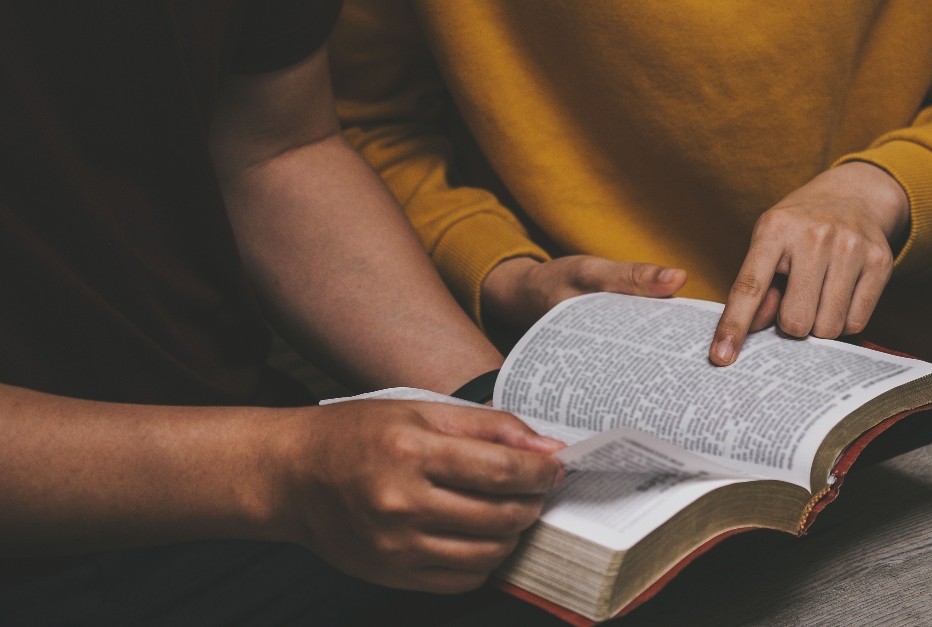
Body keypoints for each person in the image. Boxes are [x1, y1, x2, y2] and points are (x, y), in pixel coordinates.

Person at [0, 2, 564, 623]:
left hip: (246, 473)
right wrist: (279, 470)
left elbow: (272, 150)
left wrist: (488, 404)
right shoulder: (281, 472)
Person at [328, 0, 932, 452]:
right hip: (576, 400)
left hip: (924, 369)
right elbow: (347, 128)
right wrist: (502, 272)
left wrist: (880, 190)